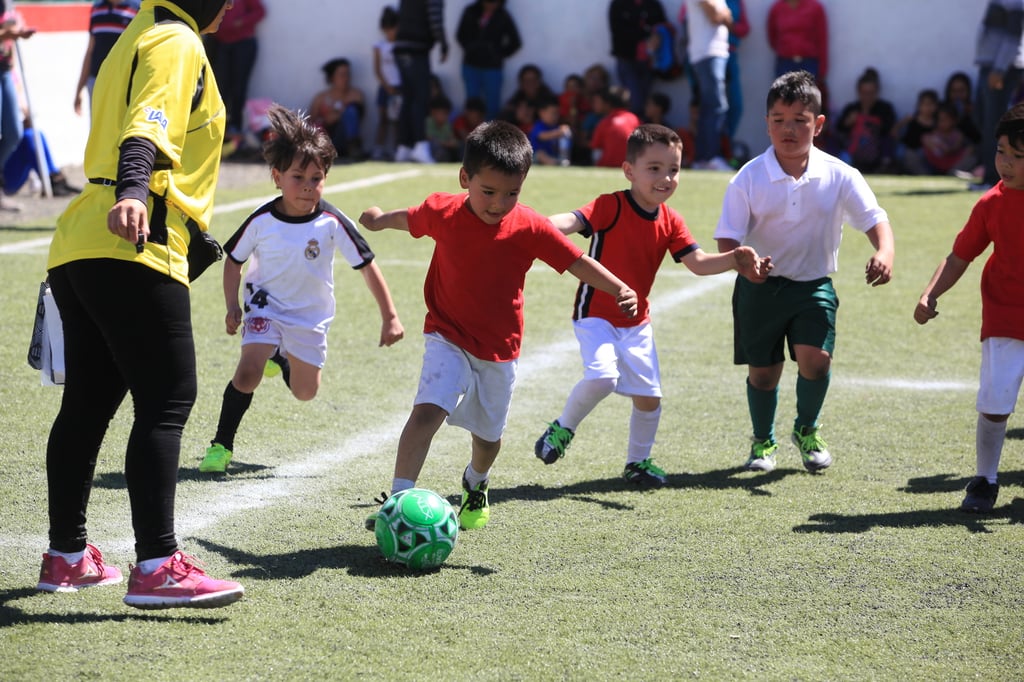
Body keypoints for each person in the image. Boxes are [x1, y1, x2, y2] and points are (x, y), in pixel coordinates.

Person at [38, 0, 244, 609]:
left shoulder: (138, 31)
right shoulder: (178, 39)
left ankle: (66, 556)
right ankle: (157, 564)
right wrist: (133, 192)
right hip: (133, 238)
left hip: (79, 241)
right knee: (168, 399)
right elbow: (148, 126)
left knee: (89, 403)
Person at [358, 120, 639, 530]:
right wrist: (381, 219)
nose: (498, 203)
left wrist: (618, 288)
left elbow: (576, 260)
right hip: (446, 333)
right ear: (465, 178)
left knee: (488, 438)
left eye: (512, 193)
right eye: (488, 192)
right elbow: (413, 218)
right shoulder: (444, 210)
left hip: (498, 348)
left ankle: (476, 480)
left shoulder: (530, 226)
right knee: (426, 413)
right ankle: (398, 504)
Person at [534, 123, 772, 485]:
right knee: (603, 378)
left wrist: (735, 260)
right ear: (629, 171)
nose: (666, 178)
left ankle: (638, 463)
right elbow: (572, 221)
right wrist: (535, 225)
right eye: (655, 169)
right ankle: (562, 429)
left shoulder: (671, 220)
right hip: (595, 314)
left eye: (673, 170)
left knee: (649, 398)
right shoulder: (610, 205)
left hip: (637, 322)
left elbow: (697, 263)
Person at [201, 104, 404, 474]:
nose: (308, 187)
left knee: (305, 392)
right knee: (248, 374)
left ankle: (280, 356)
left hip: (310, 316)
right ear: (277, 177)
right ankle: (220, 446)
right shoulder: (262, 219)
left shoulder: (330, 221)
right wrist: (232, 306)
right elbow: (233, 260)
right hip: (265, 306)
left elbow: (366, 265)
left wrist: (390, 317)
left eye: (317, 178)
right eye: (299, 177)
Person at [713, 70, 894, 474]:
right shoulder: (748, 177)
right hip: (758, 290)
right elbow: (728, 239)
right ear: (767, 124)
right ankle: (763, 443)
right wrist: (745, 263)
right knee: (763, 375)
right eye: (778, 120)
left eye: (799, 119)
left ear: (819, 123)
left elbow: (874, 218)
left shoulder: (840, 174)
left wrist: (884, 251)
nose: (788, 129)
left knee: (817, 361)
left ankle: (807, 428)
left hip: (813, 286)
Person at [914, 103, 1024, 513]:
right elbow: (959, 256)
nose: (1005, 163)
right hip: (1005, 317)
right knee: (995, 405)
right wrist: (930, 293)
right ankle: (985, 479)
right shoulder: (990, 204)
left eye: (1017, 155)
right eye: (1000, 152)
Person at [971, 0, 1024, 190]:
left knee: (994, 124)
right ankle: (988, 174)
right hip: (990, 65)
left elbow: (1013, 35)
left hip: (1001, 68)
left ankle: (992, 179)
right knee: (983, 120)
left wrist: (1000, 68)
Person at [393, 0, 449, 164]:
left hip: (401, 47)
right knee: (420, 99)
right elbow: (435, 20)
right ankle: (420, 145)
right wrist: (443, 44)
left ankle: (403, 147)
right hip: (416, 49)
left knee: (408, 99)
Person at [204, 0, 265, 144]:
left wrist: (241, 22)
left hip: (242, 44)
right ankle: (219, 127)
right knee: (220, 87)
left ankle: (236, 128)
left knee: (239, 87)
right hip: (220, 44)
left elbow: (259, 12)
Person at [686, 0, 733, 170]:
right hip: (708, 53)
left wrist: (725, 15)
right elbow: (717, 16)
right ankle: (710, 157)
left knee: (709, 107)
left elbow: (728, 20)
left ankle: (703, 158)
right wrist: (725, 13)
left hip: (710, 53)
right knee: (716, 106)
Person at [455, 0, 521, 122]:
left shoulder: (502, 16)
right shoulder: (470, 12)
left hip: (492, 68)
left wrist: (498, 54)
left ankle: (490, 136)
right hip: (470, 64)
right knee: (472, 103)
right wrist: (471, 49)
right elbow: (460, 35)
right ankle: (473, 135)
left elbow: (516, 42)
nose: (491, 4)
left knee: (492, 104)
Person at [74, 0, 140, 118]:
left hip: (124, 83)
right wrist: (79, 88)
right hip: (96, 81)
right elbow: (90, 50)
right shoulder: (97, 9)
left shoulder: (136, 8)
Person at [0, 2, 35, 211]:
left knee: (14, 131)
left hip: (5, 71)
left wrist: (18, 33)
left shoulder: (8, 6)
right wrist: (8, 32)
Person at [607, 0, 668, 117]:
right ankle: (634, 131)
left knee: (646, 102)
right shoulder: (619, 4)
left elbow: (661, 26)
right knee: (635, 102)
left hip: (649, 61)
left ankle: (643, 131)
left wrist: (656, 37)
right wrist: (645, 37)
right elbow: (617, 30)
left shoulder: (652, 5)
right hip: (627, 59)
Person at [834, 67, 896, 173]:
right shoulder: (851, 108)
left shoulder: (885, 109)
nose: (867, 97)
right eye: (864, 93)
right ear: (858, 91)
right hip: (853, 152)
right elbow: (839, 129)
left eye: (871, 93)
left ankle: (884, 167)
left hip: (877, 151)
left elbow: (889, 131)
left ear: (877, 91)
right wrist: (848, 123)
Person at [309, 57, 366, 161]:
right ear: (331, 78)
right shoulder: (321, 98)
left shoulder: (355, 95)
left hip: (344, 138)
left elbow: (357, 118)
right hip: (326, 140)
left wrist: (338, 116)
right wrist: (326, 120)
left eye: (348, 74)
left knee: (351, 111)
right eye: (342, 75)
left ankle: (353, 147)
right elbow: (310, 123)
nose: (346, 78)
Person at [766, 0, 828, 81]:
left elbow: (822, 39)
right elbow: (772, 36)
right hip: (785, 63)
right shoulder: (777, 8)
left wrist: (822, 69)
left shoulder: (815, 7)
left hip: (808, 63)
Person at [371, 5, 401, 161]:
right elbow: (377, 69)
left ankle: (397, 149)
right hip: (385, 88)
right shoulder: (379, 47)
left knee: (397, 121)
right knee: (383, 119)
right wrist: (386, 86)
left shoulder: (401, 46)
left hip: (399, 88)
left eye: (393, 28)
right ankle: (378, 148)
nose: (391, 33)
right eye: (388, 29)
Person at [590, 85, 640, 167]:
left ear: (607, 104)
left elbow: (596, 150)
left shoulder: (604, 122)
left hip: (606, 166)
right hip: (631, 167)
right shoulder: (635, 119)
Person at [920, 101, 975, 175]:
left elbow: (953, 149)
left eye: (945, 119)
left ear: (954, 120)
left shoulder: (958, 135)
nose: (942, 123)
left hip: (953, 161)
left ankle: (953, 173)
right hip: (936, 163)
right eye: (940, 120)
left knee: (971, 151)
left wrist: (945, 146)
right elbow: (926, 141)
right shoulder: (933, 135)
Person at [894, 88, 939, 175]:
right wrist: (903, 122)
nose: (928, 108)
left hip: (928, 155)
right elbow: (894, 132)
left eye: (931, 104)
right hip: (910, 152)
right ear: (919, 106)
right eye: (925, 104)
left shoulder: (937, 123)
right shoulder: (912, 120)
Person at [529, 96, 572, 166]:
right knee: (541, 154)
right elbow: (542, 136)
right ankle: (555, 163)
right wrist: (558, 132)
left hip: (552, 155)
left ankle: (561, 161)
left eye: (557, 113)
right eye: (553, 113)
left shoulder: (556, 127)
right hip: (535, 157)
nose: (555, 116)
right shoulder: (539, 125)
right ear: (542, 113)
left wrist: (564, 131)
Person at [425, 94, 459, 161]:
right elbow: (429, 138)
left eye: (446, 114)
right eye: (441, 113)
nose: (444, 117)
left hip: (445, 149)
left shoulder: (447, 124)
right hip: (432, 150)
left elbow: (452, 140)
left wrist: (451, 143)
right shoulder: (429, 122)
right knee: (435, 145)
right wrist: (445, 143)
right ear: (433, 112)